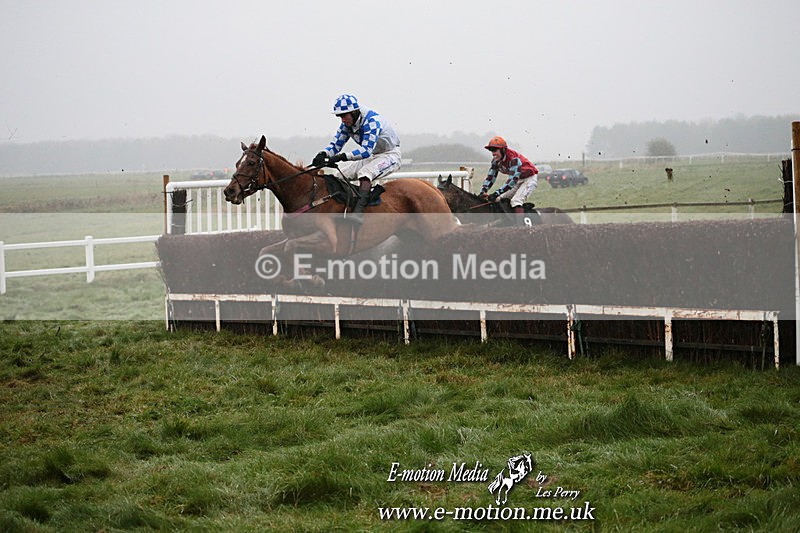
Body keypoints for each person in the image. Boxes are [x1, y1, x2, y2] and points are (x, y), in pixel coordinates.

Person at [311, 94, 401, 225]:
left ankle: (358, 212)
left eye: (343, 116)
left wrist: (341, 157)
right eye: (339, 117)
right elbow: (336, 145)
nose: (342, 120)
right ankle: (344, 209)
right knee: (339, 176)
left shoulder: (372, 121)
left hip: (390, 154)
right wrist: (323, 154)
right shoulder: (347, 124)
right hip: (373, 156)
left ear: (354, 112)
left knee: (365, 173)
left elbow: (365, 151)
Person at [478, 136, 539, 217]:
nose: (493, 154)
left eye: (495, 150)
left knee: (516, 201)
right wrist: (483, 191)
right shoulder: (495, 161)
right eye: (491, 150)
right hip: (518, 180)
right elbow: (490, 177)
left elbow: (512, 181)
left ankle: (521, 227)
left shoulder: (514, 159)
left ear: (503, 150)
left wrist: (496, 193)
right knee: (498, 199)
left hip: (529, 179)